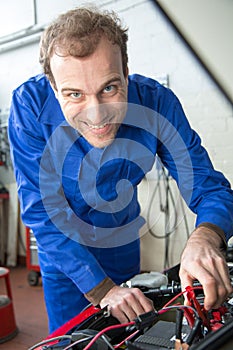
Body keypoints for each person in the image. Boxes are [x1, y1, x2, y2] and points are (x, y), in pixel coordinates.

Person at [8, 6, 233, 333]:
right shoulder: (29, 106)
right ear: (53, 88)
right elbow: (42, 209)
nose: (96, 114)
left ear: (126, 71)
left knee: (130, 335)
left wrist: (206, 235)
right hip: (65, 257)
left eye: (109, 88)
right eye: (74, 94)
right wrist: (101, 290)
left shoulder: (157, 104)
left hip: (121, 242)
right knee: (72, 339)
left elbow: (209, 188)